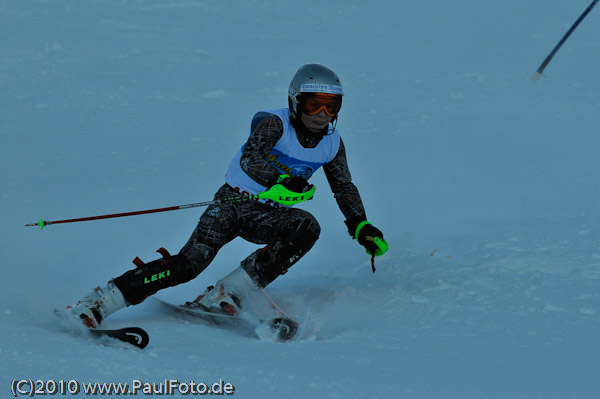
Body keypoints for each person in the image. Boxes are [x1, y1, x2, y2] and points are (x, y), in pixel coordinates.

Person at [68, 63, 388, 328]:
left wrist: (360, 225)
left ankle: (227, 293)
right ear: (295, 101)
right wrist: (284, 179)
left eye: (330, 106)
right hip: (231, 205)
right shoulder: (275, 124)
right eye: (313, 103)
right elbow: (251, 157)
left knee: (307, 227)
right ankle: (98, 302)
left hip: (267, 215)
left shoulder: (331, 143)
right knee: (188, 265)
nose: (321, 113)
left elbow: (343, 186)